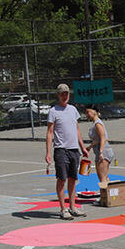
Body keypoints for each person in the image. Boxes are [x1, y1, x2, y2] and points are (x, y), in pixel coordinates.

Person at [45, 83, 90, 220]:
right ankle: (63, 209)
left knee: (72, 179)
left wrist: (82, 147)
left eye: (67, 93)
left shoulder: (73, 110)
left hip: (74, 150)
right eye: (62, 94)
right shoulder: (53, 111)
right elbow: (50, 133)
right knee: (62, 179)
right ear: (58, 95)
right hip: (61, 150)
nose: (65, 96)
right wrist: (47, 152)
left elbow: (76, 130)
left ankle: (72, 207)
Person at [85, 107, 115, 204]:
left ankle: (104, 199)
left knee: (102, 177)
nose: (87, 114)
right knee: (104, 177)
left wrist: (101, 152)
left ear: (95, 112)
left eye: (88, 112)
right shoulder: (95, 123)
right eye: (86, 112)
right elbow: (97, 140)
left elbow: (103, 138)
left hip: (104, 151)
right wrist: (89, 147)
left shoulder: (98, 123)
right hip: (101, 150)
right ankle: (109, 197)